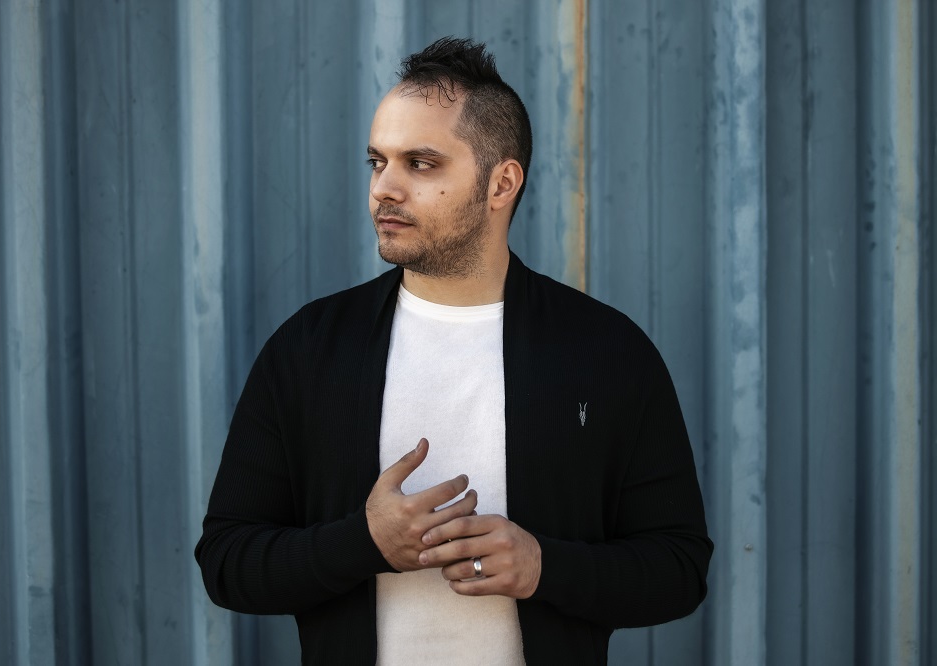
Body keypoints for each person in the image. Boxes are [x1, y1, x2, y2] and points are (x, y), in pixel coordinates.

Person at [195, 36, 712, 665]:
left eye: (420, 163)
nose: (384, 188)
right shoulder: (310, 349)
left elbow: (679, 568)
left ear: (501, 183)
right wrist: (363, 543)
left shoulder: (605, 352)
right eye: (377, 161)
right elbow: (227, 563)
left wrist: (544, 567)